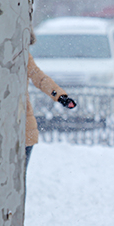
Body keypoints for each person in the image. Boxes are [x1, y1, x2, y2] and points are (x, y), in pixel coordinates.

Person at [25, 31, 76, 171]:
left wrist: (60, 96)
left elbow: (40, 78)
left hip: (24, 129)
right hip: (1, 129)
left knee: (17, 179)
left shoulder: (24, 58)